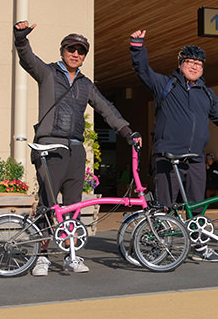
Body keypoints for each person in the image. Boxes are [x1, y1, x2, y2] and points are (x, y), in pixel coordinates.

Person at [13, 21, 139, 275]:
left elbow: (106, 108)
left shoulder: (85, 84)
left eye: (81, 51)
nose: (75, 53)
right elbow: (28, 60)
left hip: (75, 149)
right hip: (50, 146)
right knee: (48, 204)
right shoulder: (48, 73)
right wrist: (20, 39)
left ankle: (72, 255)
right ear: (62, 50)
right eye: (71, 48)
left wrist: (127, 131)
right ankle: (41, 256)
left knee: (73, 205)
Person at [129, 29, 218, 262]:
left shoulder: (206, 93)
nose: (194, 67)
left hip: (195, 158)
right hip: (167, 156)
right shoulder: (165, 85)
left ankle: (199, 246)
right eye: (190, 62)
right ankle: (158, 245)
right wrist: (137, 47)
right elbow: (143, 71)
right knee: (164, 206)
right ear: (180, 64)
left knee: (198, 205)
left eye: (198, 64)